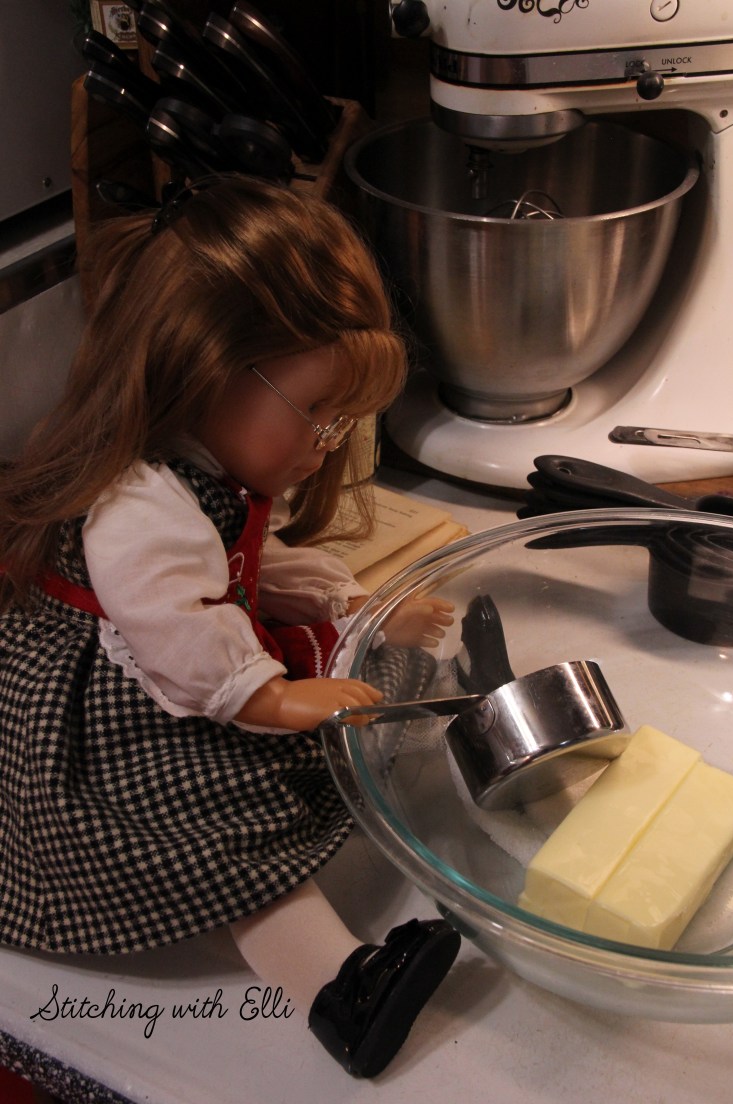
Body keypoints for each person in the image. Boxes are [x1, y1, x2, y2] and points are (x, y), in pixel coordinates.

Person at [0, 175, 459, 1078]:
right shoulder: (140, 503)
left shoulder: (204, 476)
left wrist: (347, 606)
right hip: (108, 714)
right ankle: (340, 989)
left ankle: (343, 979)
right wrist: (273, 697)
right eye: (315, 416)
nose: (321, 445)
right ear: (210, 366)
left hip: (181, 668)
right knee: (216, 819)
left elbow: (248, 566)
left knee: (330, 724)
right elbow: (176, 625)